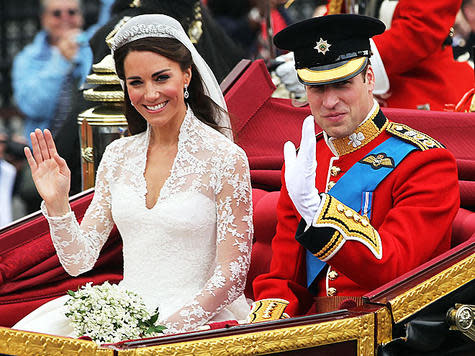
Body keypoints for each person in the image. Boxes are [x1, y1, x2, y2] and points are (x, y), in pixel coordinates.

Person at [13, 14, 253, 337]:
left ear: (186, 75)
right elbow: (79, 260)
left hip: (200, 323)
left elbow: (232, 276)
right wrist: (57, 205)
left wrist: (163, 332)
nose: (149, 94)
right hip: (127, 320)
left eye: (160, 77)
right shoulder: (117, 156)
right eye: (136, 83)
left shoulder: (225, 158)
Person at [251, 14, 460, 319]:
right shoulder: (307, 161)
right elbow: (284, 280)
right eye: (317, 89)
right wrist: (264, 334)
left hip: (387, 332)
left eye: (343, 84)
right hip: (316, 333)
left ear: (369, 79)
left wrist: (318, 211)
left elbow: (393, 265)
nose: (330, 101)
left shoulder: (424, 161)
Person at [11, 0, 113, 139]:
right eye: (56, 13)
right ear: (44, 19)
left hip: (89, 140)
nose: (65, 18)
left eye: (71, 12)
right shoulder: (27, 58)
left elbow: (112, 17)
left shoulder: (94, 43)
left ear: (81, 16)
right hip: (47, 147)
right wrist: (61, 60)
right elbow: (33, 107)